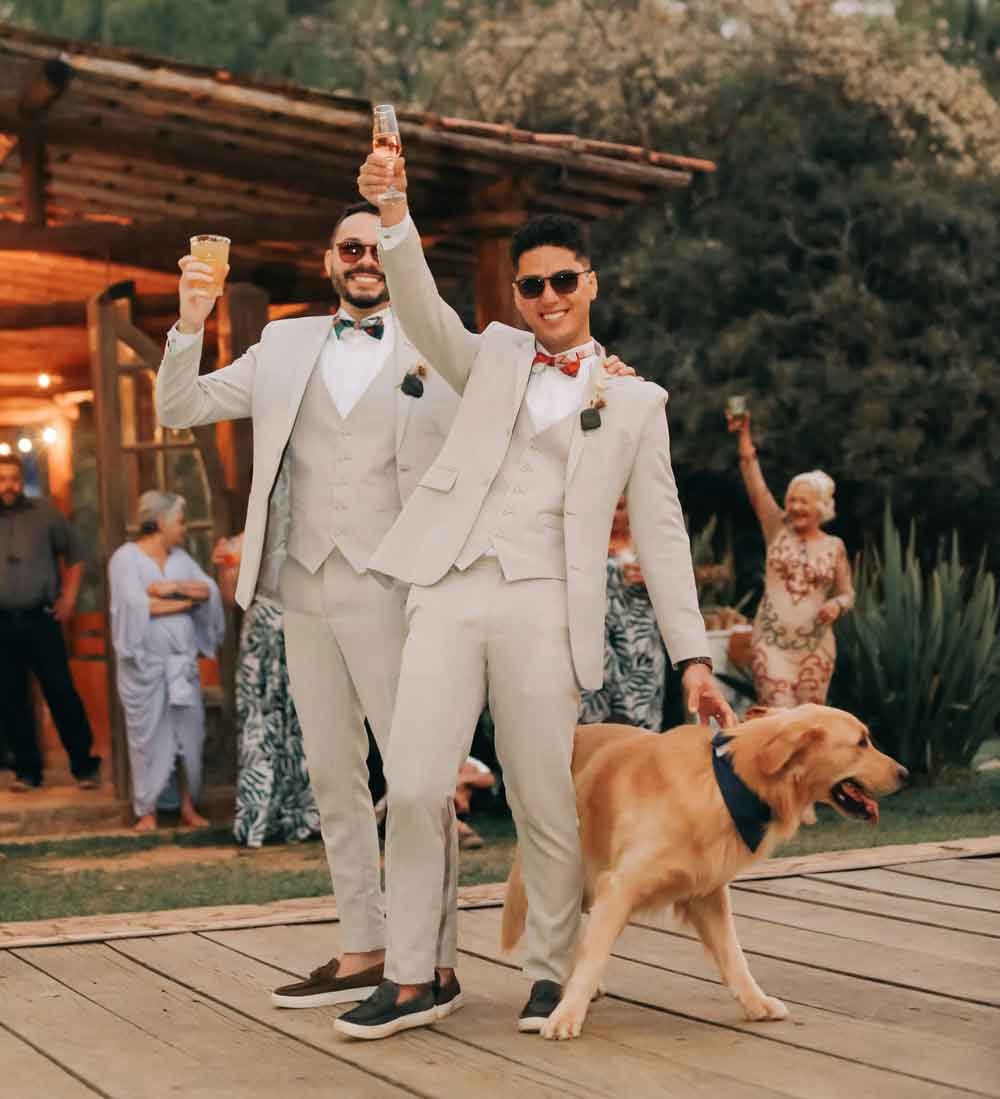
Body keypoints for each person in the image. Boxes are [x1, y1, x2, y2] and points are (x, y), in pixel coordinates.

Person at [336, 153, 735, 1041]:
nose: (547, 296)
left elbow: (663, 535)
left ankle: (551, 975)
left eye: (562, 280)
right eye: (531, 285)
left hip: (547, 608)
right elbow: (424, 314)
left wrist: (695, 658)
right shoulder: (492, 355)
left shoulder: (637, 402)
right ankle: (412, 976)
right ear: (515, 294)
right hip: (446, 587)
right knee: (409, 784)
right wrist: (393, 213)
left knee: (544, 798)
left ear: (590, 281)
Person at [155, 201, 462, 1010]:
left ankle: (432, 961)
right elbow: (180, 407)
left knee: (416, 776)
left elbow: (514, 408)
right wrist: (190, 320)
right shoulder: (286, 343)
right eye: (349, 247)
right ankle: (363, 947)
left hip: (395, 583)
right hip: (301, 583)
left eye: (376, 246)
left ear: (398, 255)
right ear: (328, 261)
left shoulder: (437, 339)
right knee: (333, 775)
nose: (364, 258)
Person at [108, 492, 224, 830]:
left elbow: (209, 591)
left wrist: (168, 588)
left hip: (181, 668)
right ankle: (147, 811)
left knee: (188, 735)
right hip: (146, 668)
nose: (183, 529)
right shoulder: (125, 559)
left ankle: (188, 806)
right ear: (159, 522)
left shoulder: (182, 560)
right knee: (148, 738)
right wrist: (183, 603)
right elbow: (135, 607)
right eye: (179, 521)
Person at [728, 410, 854, 706]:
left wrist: (837, 604)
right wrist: (744, 435)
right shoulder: (776, 527)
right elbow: (754, 483)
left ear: (821, 507)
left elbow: (848, 593)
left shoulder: (835, 546)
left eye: (803, 501)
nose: (795, 506)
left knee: (809, 728)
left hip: (816, 649)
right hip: (771, 645)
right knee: (781, 719)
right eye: (792, 499)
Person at [0, 453, 101, 792]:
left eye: (13, 478)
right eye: (2, 479)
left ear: (21, 479)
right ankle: (27, 772)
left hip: (40, 619)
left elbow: (75, 553)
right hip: (1, 623)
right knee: (10, 696)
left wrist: (69, 597)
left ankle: (84, 765)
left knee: (60, 690)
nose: (8, 485)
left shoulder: (45, 514)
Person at [213, 533, 321, 848]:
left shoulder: (251, 540)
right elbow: (233, 592)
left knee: (285, 723)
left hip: (288, 626)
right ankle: (288, 817)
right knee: (275, 723)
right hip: (282, 626)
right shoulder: (246, 541)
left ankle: (278, 816)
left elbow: (231, 594)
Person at [579, 496, 668, 731]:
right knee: (592, 729)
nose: (613, 514)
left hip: (639, 650)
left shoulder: (651, 544)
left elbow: (678, 594)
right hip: (595, 646)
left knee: (639, 729)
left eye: (619, 508)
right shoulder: (581, 544)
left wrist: (654, 580)